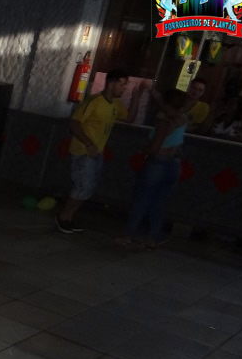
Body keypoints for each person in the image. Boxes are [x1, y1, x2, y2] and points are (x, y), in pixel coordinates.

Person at [56, 69, 129, 234]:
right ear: (111, 84)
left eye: (126, 85)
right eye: (122, 84)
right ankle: (63, 217)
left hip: (97, 152)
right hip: (83, 151)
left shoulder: (115, 104)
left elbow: (129, 118)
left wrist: (137, 97)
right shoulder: (94, 101)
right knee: (81, 187)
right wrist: (88, 143)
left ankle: (68, 218)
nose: (124, 88)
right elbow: (74, 122)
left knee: (87, 188)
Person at [117, 89, 188, 249]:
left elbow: (154, 149)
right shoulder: (182, 118)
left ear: (167, 104)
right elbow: (168, 107)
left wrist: (142, 149)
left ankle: (128, 235)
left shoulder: (165, 124)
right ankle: (152, 238)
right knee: (159, 203)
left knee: (141, 200)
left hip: (157, 165)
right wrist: (155, 94)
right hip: (174, 165)